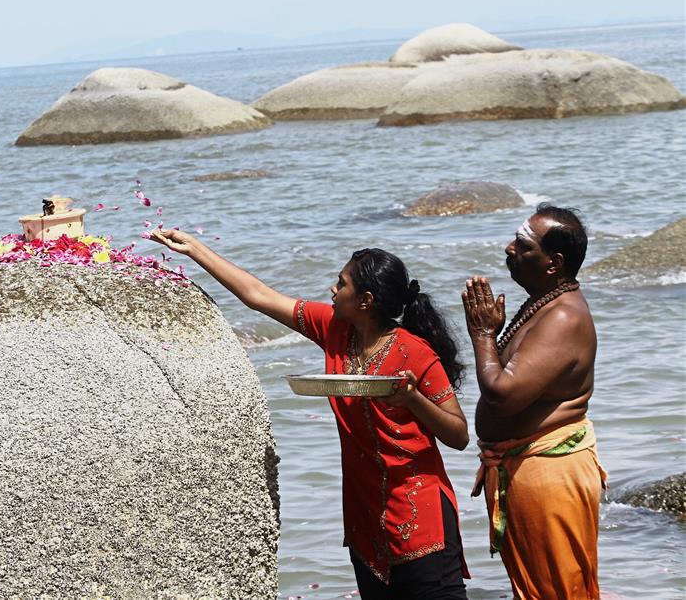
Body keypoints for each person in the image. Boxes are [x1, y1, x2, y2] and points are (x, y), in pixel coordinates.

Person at [150, 230, 470, 600]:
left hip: (421, 518)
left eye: (341, 283)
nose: (333, 290)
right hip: (365, 519)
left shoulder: (415, 353)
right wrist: (195, 250)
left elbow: (459, 435)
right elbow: (259, 297)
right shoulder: (335, 328)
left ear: (365, 300)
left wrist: (413, 398)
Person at [461, 204, 607, 600]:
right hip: (529, 470)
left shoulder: (562, 317)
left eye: (523, 245)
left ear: (553, 263)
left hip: (548, 474)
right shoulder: (544, 303)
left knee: (559, 592)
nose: (509, 248)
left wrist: (482, 334)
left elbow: (502, 394)